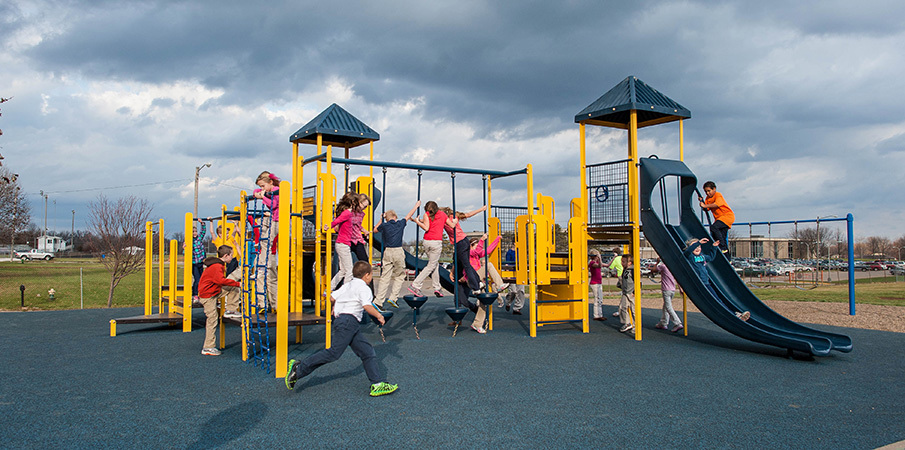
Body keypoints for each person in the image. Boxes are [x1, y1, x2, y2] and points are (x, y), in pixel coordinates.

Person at [284, 261, 398, 397]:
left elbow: (332, 297)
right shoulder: (364, 288)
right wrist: (379, 316)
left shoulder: (348, 284)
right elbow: (367, 306)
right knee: (333, 353)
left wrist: (336, 307)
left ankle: (377, 384)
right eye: (371, 275)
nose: (371, 278)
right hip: (348, 322)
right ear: (367, 275)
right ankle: (299, 368)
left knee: (367, 351)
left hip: (346, 322)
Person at [684, 237, 750, 322]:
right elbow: (688, 251)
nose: (697, 248)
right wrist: (698, 242)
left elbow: (711, 257)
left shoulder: (702, 256)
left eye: (699, 247)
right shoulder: (690, 256)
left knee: (718, 299)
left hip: (706, 282)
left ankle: (733, 314)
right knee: (715, 301)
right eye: (695, 246)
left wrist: (714, 247)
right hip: (699, 283)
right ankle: (732, 315)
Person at [373, 202, 419, 309]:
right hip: (398, 251)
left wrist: (381, 219)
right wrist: (416, 206)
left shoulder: (384, 225)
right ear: (395, 217)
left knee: (385, 277)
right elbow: (408, 215)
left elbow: (375, 230)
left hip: (387, 251)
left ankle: (378, 301)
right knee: (400, 275)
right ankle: (393, 297)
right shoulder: (400, 224)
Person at [197, 245, 241, 356]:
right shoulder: (217, 266)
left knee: (233, 288)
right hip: (208, 296)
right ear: (226, 256)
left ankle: (230, 310)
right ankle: (208, 347)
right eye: (231, 255)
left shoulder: (219, 264)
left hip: (214, 291)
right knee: (212, 319)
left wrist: (236, 285)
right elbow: (220, 280)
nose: (232, 257)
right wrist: (238, 283)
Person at [442, 205, 487, 296]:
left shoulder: (444, 220)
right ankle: (478, 282)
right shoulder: (454, 216)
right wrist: (481, 209)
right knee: (466, 264)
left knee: (466, 265)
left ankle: (476, 287)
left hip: (459, 243)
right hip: (465, 240)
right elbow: (469, 214)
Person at [253, 171, 280, 309]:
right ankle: (271, 305)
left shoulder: (277, 191)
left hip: (279, 221)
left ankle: (269, 304)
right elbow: (255, 191)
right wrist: (259, 193)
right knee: (267, 272)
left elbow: (273, 205)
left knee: (267, 244)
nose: (262, 189)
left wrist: (262, 196)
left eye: (263, 186)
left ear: (270, 183)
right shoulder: (270, 190)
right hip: (274, 220)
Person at [408, 201, 448, 297]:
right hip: (436, 243)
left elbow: (426, 223)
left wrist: (416, 221)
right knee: (431, 265)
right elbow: (427, 227)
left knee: (435, 264)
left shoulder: (427, 215)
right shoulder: (442, 214)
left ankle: (437, 287)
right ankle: (415, 284)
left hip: (427, 242)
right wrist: (417, 222)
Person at [209, 220, 243, 319]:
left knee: (234, 278)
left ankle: (233, 300)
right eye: (225, 233)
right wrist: (211, 222)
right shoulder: (219, 241)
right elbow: (212, 233)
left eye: (228, 233)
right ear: (219, 234)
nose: (227, 235)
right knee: (228, 280)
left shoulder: (230, 239)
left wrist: (235, 224)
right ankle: (225, 301)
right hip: (224, 262)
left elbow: (234, 232)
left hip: (232, 261)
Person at [326, 192, 359, 290]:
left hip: (341, 243)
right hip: (343, 244)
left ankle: (329, 289)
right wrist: (329, 226)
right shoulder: (347, 213)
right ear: (353, 202)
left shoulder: (347, 212)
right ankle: (345, 292)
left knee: (343, 270)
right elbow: (338, 220)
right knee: (349, 270)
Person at [698, 181, 735, 255]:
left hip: (727, 217)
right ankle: (727, 258)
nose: (708, 193)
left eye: (709, 191)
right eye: (706, 192)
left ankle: (722, 247)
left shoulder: (718, 195)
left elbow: (717, 204)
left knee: (714, 227)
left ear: (714, 189)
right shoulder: (708, 198)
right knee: (722, 237)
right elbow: (706, 209)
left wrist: (705, 206)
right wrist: (702, 202)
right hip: (719, 219)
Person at [651, 258, 682, 332]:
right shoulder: (673, 268)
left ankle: (677, 323)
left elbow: (654, 269)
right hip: (672, 289)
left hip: (666, 289)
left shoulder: (663, 266)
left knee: (668, 307)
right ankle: (663, 322)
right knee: (665, 306)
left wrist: (657, 262)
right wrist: (680, 288)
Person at [502, 244, 524, 314]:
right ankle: (508, 302)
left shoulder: (520, 251)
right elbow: (507, 264)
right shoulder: (509, 252)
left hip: (519, 274)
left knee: (520, 290)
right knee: (513, 291)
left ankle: (517, 308)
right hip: (512, 274)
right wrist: (508, 275)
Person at [618, 254, 636, 333]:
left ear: (629, 263)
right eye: (622, 261)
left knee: (634, 310)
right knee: (622, 307)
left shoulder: (633, 270)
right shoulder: (625, 270)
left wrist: (635, 291)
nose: (622, 263)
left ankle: (636, 325)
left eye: (624, 262)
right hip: (625, 292)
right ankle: (627, 323)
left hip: (631, 292)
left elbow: (637, 281)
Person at [190, 219, 207, 303]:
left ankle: (199, 294)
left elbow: (203, 231)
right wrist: (184, 248)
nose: (194, 233)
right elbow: (184, 252)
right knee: (197, 279)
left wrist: (202, 223)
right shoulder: (189, 241)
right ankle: (195, 295)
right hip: (194, 264)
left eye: (195, 231)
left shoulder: (199, 238)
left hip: (201, 262)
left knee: (201, 279)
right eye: (193, 232)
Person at [589, 249, 605, 321]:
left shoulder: (597, 262)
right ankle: (596, 315)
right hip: (594, 283)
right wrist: (600, 258)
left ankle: (600, 314)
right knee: (597, 299)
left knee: (600, 299)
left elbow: (607, 265)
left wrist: (614, 257)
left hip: (598, 282)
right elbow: (599, 266)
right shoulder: (592, 263)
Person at [609, 247, 624, 318]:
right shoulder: (623, 258)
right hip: (626, 275)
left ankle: (621, 310)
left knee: (625, 294)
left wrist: (613, 258)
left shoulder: (616, 259)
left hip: (621, 276)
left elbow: (610, 267)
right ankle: (622, 309)